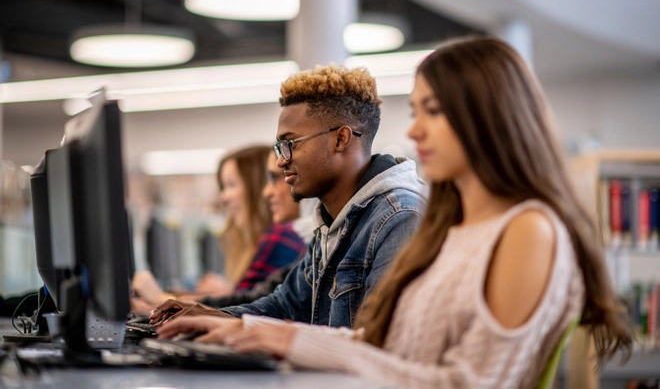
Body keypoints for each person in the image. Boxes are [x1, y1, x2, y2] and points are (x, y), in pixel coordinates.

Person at [158, 37, 632, 388]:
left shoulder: (528, 231)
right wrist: (252, 332)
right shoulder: (453, 226)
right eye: (417, 112)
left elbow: (467, 383)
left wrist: (284, 340)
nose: (416, 131)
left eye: (434, 111)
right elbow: (386, 349)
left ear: (490, 117)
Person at [151, 64, 427, 328]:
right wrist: (212, 315)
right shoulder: (331, 223)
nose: (282, 161)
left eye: (290, 144)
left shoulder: (399, 219)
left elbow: (378, 344)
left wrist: (250, 329)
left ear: (340, 139)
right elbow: (285, 305)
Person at [132, 146, 305, 309]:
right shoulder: (274, 237)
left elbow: (249, 309)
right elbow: (250, 300)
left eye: (231, 185)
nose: (224, 196)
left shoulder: (279, 237)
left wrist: (160, 300)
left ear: (255, 187)